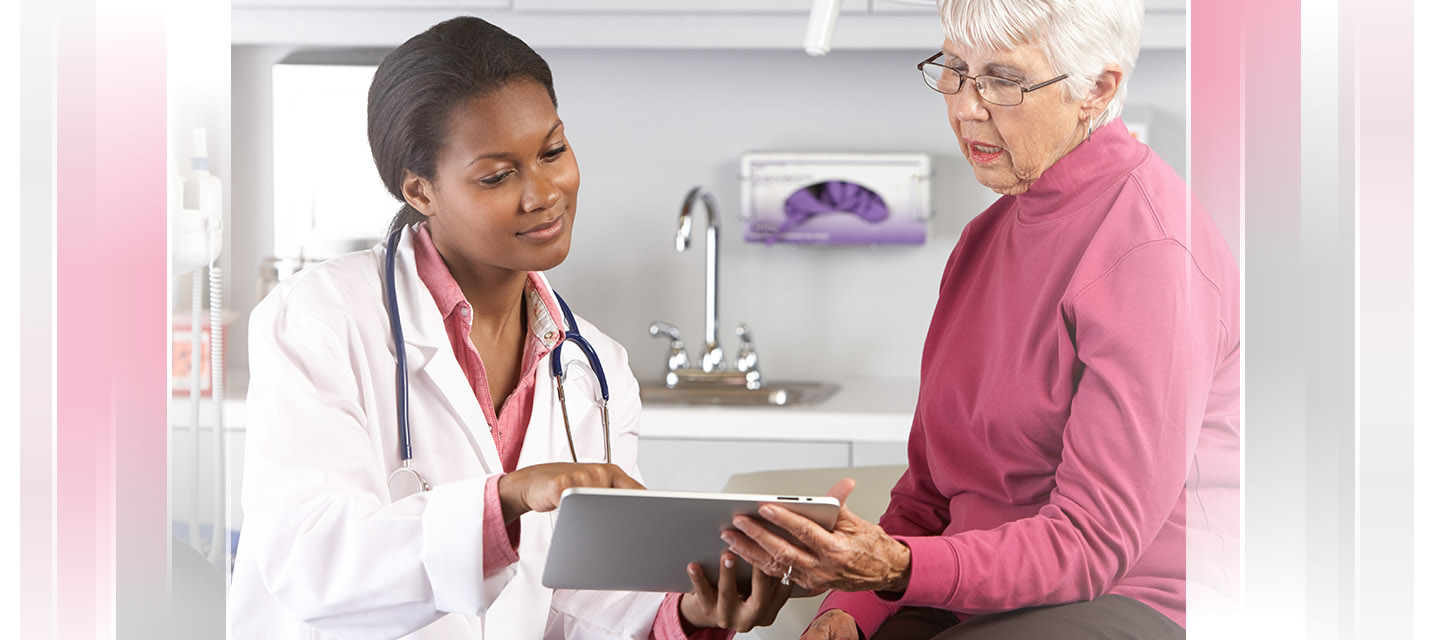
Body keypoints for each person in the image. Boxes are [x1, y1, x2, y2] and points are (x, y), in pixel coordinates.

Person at [229, 17, 790, 639]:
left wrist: (689, 616)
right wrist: (509, 498)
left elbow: (583, 604)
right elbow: (312, 564)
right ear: (420, 190)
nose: (543, 193)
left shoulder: (593, 368)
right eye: (498, 175)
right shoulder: (322, 316)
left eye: (552, 152)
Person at [723, 0, 1239, 638]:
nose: (966, 106)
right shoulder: (983, 240)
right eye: (956, 70)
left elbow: (1093, 543)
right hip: (977, 597)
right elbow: (927, 495)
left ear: (1098, 88)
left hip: (1128, 602)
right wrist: (847, 613)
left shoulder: (1151, 251)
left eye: (1003, 79)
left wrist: (897, 565)